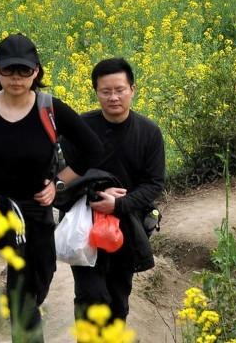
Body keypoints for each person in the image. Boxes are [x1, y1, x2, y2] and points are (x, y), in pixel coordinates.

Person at [0, 34, 105, 343]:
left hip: (30, 214)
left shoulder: (50, 108)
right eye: (8, 71)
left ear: (37, 72)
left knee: (23, 295)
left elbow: (93, 150)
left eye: (24, 71)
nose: (16, 78)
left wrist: (58, 183)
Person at [67, 58, 165, 323]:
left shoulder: (149, 132)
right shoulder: (80, 128)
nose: (113, 97)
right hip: (86, 225)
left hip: (128, 225)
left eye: (120, 90)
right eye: (105, 91)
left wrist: (119, 205)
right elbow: (62, 176)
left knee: (118, 300)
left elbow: (154, 183)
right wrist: (94, 194)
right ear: (96, 92)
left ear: (132, 89)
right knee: (90, 297)